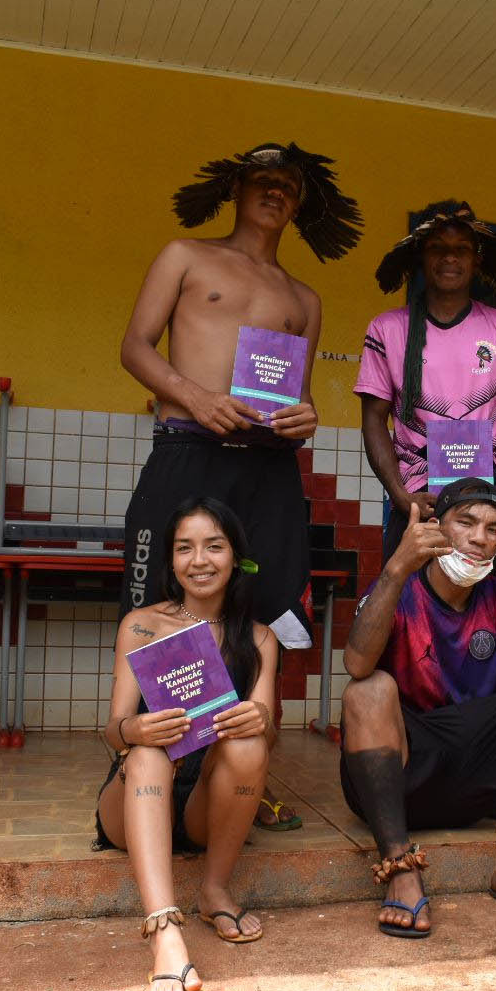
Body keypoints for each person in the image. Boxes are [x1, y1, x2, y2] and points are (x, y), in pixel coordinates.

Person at [118, 141, 362, 832]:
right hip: (187, 449)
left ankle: (243, 780)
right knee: (165, 605)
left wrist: (307, 417)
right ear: (237, 188)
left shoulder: (304, 300)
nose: (275, 191)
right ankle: (146, 775)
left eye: (289, 185)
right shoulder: (185, 257)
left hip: (267, 468)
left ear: (300, 203)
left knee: (265, 610)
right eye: (263, 180)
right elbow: (135, 346)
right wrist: (196, 398)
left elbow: (300, 399)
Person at [338, 478, 496, 937]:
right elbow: (355, 663)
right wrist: (396, 568)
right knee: (366, 690)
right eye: (466, 522)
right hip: (401, 776)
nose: (480, 538)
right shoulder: (399, 587)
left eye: (494, 529)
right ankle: (400, 868)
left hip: (475, 773)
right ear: (436, 528)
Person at [94, 498, 279, 991]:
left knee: (249, 743)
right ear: (171, 561)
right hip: (135, 794)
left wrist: (258, 719)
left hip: (206, 800)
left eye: (214, 546)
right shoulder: (142, 624)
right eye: (185, 548)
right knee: (147, 753)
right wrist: (134, 727)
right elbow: (112, 729)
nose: (199, 560)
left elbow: (267, 726)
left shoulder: (259, 638)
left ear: (236, 557)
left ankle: (214, 889)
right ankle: (166, 935)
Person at [357, 200, 496, 560]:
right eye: (438, 248)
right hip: (419, 500)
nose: (449, 258)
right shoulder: (387, 329)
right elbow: (373, 418)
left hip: (487, 497)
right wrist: (400, 495)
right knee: (410, 607)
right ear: (422, 255)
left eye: (461, 250)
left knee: (487, 608)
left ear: (477, 259)